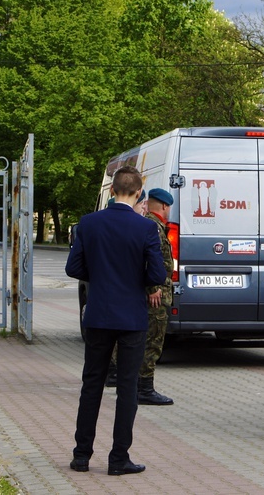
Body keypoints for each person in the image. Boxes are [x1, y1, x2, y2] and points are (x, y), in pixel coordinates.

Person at [65, 166, 166, 475]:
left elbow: (73, 267)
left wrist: (100, 277)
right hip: (132, 318)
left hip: (97, 314)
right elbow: (157, 275)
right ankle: (118, 457)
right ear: (138, 193)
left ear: (111, 192)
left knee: (91, 384)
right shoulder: (146, 228)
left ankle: (82, 455)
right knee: (127, 388)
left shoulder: (89, 223)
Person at [137, 188, 176, 406]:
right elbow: (149, 259)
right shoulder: (153, 227)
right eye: (168, 207)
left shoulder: (151, 225)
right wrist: (153, 287)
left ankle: (139, 385)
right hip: (156, 294)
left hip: (157, 291)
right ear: (163, 206)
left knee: (149, 339)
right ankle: (145, 388)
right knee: (153, 341)